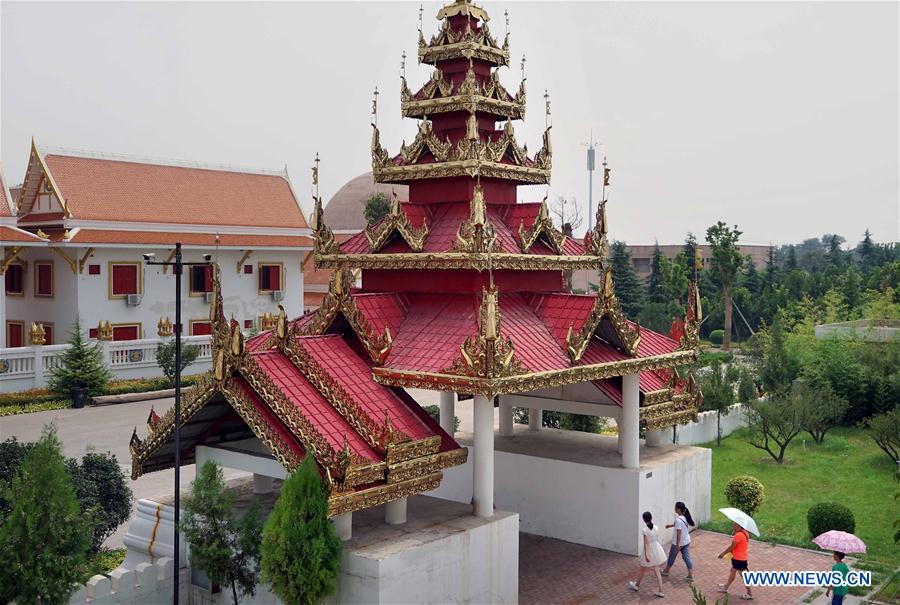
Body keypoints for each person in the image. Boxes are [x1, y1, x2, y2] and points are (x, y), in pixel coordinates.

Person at [627, 511, 666, 598]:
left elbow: (645, 544)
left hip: (649, 550)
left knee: (642, 568)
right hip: (656, 548)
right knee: (655, 569)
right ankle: (660, 590)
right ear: (651, 518)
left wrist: (647, 555)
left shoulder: (645, 530)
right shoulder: (656, 527)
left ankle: (637, 585)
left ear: (644, 520)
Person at [718, 521, 753, 600]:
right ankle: (725, 588)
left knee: (744, 577)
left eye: (735, 525)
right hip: (740, 558)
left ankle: (750, 594)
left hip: (739, 560)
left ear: (739, 526)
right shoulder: (745, 533)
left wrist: (723, 554)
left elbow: (732, 547)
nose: (733, 526)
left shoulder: (738, 535)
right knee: (732, 572)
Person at [661, 501, 694, 581]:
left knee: (672, 556)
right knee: (686, 557)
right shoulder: (685, 517)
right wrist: (670, 526)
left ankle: (666, 571)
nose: (674, 508)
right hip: (686, 541)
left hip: (679, 543)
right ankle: (690, 575)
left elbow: (678, 532)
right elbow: (679, 525)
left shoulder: (678, 520)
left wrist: (677, 545)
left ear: (678, 509)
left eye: (675, 507)